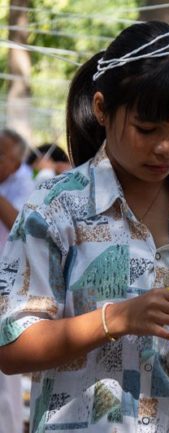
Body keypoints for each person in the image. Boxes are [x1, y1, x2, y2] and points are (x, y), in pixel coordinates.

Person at [0, 21, 169, 433]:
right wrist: (116, 319)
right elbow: (12, 348)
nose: (168, 147)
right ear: (101, 108)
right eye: (148, 129)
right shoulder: (58, 210)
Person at [0, 128, 34, 433]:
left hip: (6, 289)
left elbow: (18, 226)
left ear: (16, 160)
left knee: (4, 380)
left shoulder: (26, 183)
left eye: (1, 155)